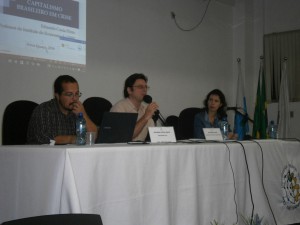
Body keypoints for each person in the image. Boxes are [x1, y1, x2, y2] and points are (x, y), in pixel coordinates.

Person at [27, 75, 97, 144]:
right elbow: (43, 138)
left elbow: (94, 137)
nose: (75, 98)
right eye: (69, 94)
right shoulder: (44, 110)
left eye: (77, 94)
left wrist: (83, 114)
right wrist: (72, 139)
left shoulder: (77, 110)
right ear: (57, 95)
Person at [110, 73, 158, 141]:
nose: (144, 90)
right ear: (129, 90)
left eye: (146, 87)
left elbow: (154, 136)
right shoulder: (119, 108)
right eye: (140, 87)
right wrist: (145, 117)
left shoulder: (145, 109)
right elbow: (126, 136)